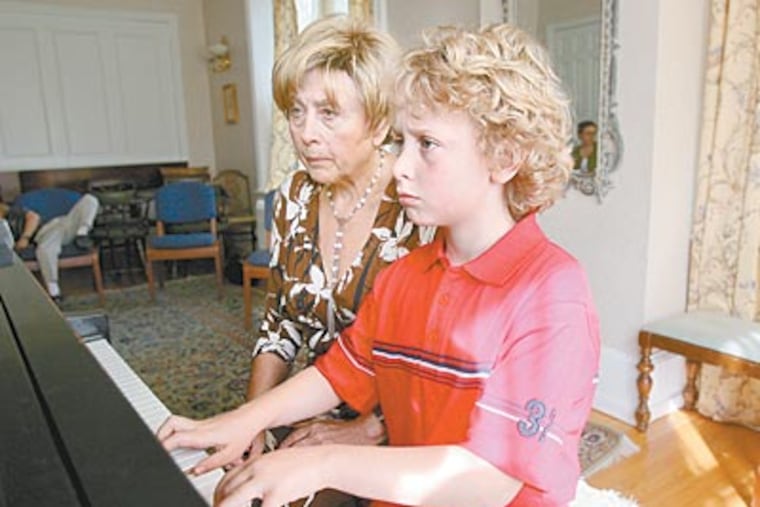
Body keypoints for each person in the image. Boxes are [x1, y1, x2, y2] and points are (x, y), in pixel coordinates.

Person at [159, 22, 600, 507]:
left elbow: (489, 478)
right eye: (402, 142)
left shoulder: (551, 293)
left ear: (504, 158)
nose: (401, 165)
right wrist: (244, 420)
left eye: (426, 144)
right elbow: (338, 373)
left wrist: (321, 462)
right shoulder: (405, 277)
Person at [244, 14, 432, 502]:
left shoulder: (422, 202)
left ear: (378, 121)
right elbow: (280, 325)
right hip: (307, 409)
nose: (305, 133)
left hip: (397, 425)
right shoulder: (291, 198)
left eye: (329, 113)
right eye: (296, 111)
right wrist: (253, 425)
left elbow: (439, 358)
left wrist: (367, 431)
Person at [0, 193, 98, 302]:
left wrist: (25, 237)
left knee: (89, 199)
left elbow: (34, 217)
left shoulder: (11, 210)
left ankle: (82, 232)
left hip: (60, 224)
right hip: (45, 236)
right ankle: (54, 293)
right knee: (45, 249)